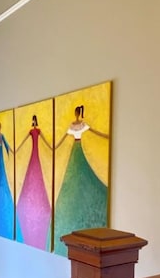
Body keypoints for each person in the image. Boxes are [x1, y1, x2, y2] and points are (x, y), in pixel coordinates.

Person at [53, 105, 109, 255]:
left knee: (80, 177)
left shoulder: (80, 125)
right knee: (74, 179)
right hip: (77, 149)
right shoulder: (76, 125)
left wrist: (106, 136)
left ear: (78, 113)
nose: (77, 114)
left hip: (77, 149)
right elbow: (63, 139)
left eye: (77, 112)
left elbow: (93, 132)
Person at [15, 115, 52, 249]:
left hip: (36, 151)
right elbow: (25, 140)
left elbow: (46, 143)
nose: (34, 123)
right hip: (33, 151)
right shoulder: (32, 132)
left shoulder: (37, 131)